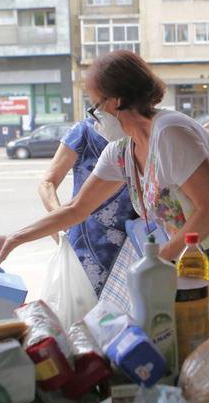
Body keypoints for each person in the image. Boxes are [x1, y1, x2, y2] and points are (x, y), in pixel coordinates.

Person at [0, 50, 209, 304]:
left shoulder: (170, 134)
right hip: (199, 263)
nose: (94, 118)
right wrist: (15, 238)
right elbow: (76, 209)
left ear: (116, 102)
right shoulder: (123, 151)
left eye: (95, 106)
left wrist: (158, 259)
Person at [38, 116, 137, 296]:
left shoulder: (139, 129)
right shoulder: (84, 131)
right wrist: (59, 218)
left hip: (133, 240)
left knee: (128, 312)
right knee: (82, 306)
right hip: (85, 241)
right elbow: (47, 182)